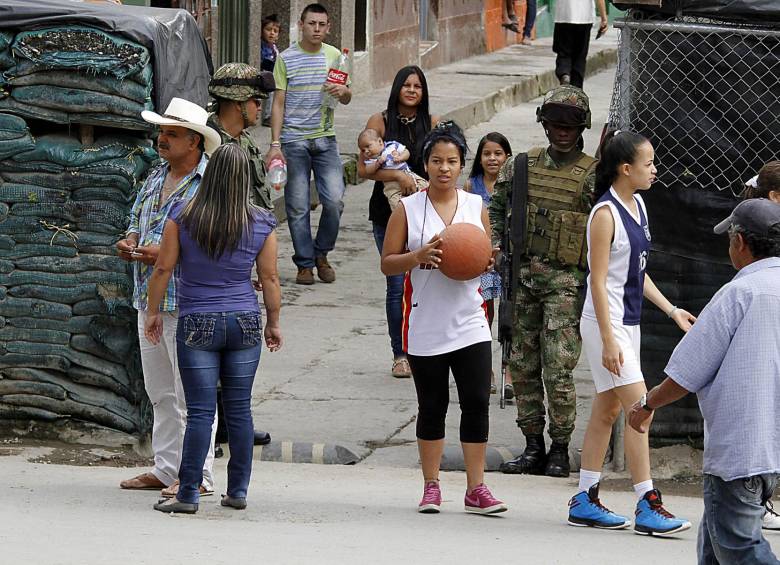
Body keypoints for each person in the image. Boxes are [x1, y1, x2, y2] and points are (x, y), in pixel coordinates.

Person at [629, 198, 780, 561]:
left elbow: (687, 372)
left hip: (739, 451)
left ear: (740, 243)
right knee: (714, 546)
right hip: (770, 451)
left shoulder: (738, 294)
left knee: (741, 549)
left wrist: (647, 403)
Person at [567, 130, 693, 536]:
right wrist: (607, 340)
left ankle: (584, 498)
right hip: (607, 323)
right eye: (648, 163)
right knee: (642, 411)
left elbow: (636, 272)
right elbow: (598, 282)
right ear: (626, 168)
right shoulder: (604, 215)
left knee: (608, 411)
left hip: (629, 322)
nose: (655, 169)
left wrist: (671, 309)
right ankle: (647, 503)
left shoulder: (638, 205)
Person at [146, 143, 283, 514]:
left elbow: (163, 268)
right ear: (245, 179)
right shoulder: (260, 222)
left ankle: (188, 493)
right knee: (239, 410)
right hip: (244, 320)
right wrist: (273, 323)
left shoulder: (183, 215)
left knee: (200, 411)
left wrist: (152, 311)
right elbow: (269, 277)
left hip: (197, 320)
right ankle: (237, 491)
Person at [381, 121, 506, 515]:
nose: (444, 168)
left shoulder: (475, 206)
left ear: (460, 165)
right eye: (436, 161)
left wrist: (488, 262)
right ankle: (431, 485)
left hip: (470, 320)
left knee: (475, 403)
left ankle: (477, 488)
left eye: (452, 161)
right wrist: (416, 258)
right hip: (425, 321)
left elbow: (487, 262)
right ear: (426, 163)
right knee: (432, 406)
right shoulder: (408, 208)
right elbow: (387, 263)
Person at [115, 98, 222, 496]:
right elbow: (135, 220)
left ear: (194, 142)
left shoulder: (209, 184)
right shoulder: (156, 177)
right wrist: (129, 241)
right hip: (150, 298)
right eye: (162, 132)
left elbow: (216, 240)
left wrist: (167, 253)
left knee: (189, 393)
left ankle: (200, 474)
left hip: (188, 300)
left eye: (172, 134)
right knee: (159, 390)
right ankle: (166, 467)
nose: (162, 140)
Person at [491, 86, 597, 478]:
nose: (561, 132)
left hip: (565, 283)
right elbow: (497, 209)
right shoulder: (520, 166)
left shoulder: (592, 175)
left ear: (582, 126)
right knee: (520, 365)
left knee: (558, 368)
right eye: (554, 124)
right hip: (521, 280)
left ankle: (560, 446)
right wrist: (496, 248)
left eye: (569, 125)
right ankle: (533, 444)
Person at [207, 62, 276, 452]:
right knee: (211, 351)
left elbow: (260, 202)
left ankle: (235, 422)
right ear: (237, 103)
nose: (258, 108)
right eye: (254, 101)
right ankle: (213, 429)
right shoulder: (206, 143)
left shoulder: (244, 141)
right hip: (212, 262)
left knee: (239, 353)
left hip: (244, 258)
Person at [358, 65, 440, 379]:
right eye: (406, 84)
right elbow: (364, 170)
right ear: (396, 88)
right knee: (396, 284)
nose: (411, 90)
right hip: (386, 213)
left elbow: (442, 163)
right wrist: (396, 175)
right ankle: (400, 353)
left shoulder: (432, 123)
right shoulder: (378, 122)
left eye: (417, 86)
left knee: (427, 284)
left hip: (425, 212)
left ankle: (428, 349)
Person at [266, 2, 351, 286]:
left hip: (325, 139)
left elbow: (346, 96)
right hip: (293, 141)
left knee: (334, 201)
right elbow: (278, 103)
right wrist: (275, 144)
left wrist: (344, 92)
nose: (317, 29)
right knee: (298, 206)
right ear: (301, 25)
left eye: (322, 24)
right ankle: (305, 264)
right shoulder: (286, 59)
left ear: (328, 28)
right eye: (311, 23)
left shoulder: (335, 56)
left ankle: (321, 253)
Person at [464, 132, 512, 395]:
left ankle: (509, 371)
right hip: (484, 260)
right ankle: (487, 370)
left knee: (510, 313)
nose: (492, 158)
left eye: (498, 153)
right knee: (486, 312)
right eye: (487, 154)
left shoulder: (515, 183)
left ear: (507, 157)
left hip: (509, 257)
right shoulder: (472, 186)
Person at [358, 127, 428, 210]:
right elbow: (368, 171)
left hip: (409, 174)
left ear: (380, 142)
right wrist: (377, 163)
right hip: (391, 185)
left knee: (427, 187)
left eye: (368, 146)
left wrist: (401, 157)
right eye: (363, 150)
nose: (366, 151)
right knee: (397, 205)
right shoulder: (372, 159)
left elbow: (406, 152)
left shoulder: (392, 146)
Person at [553, 0, 608, 87]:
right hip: (585, 17)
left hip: (564, 16)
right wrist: (604, 18)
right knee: (580, 56)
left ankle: (564, 73)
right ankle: (576, 90)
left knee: (563, 52)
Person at [259, 14, 280, 127]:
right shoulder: (263, 46)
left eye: (275, 31)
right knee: (271, 91)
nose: (272, 33)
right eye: (268, 30)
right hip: (265, 74)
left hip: (272, 74)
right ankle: (267, 116)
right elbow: (266, 63)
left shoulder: (273, 47)